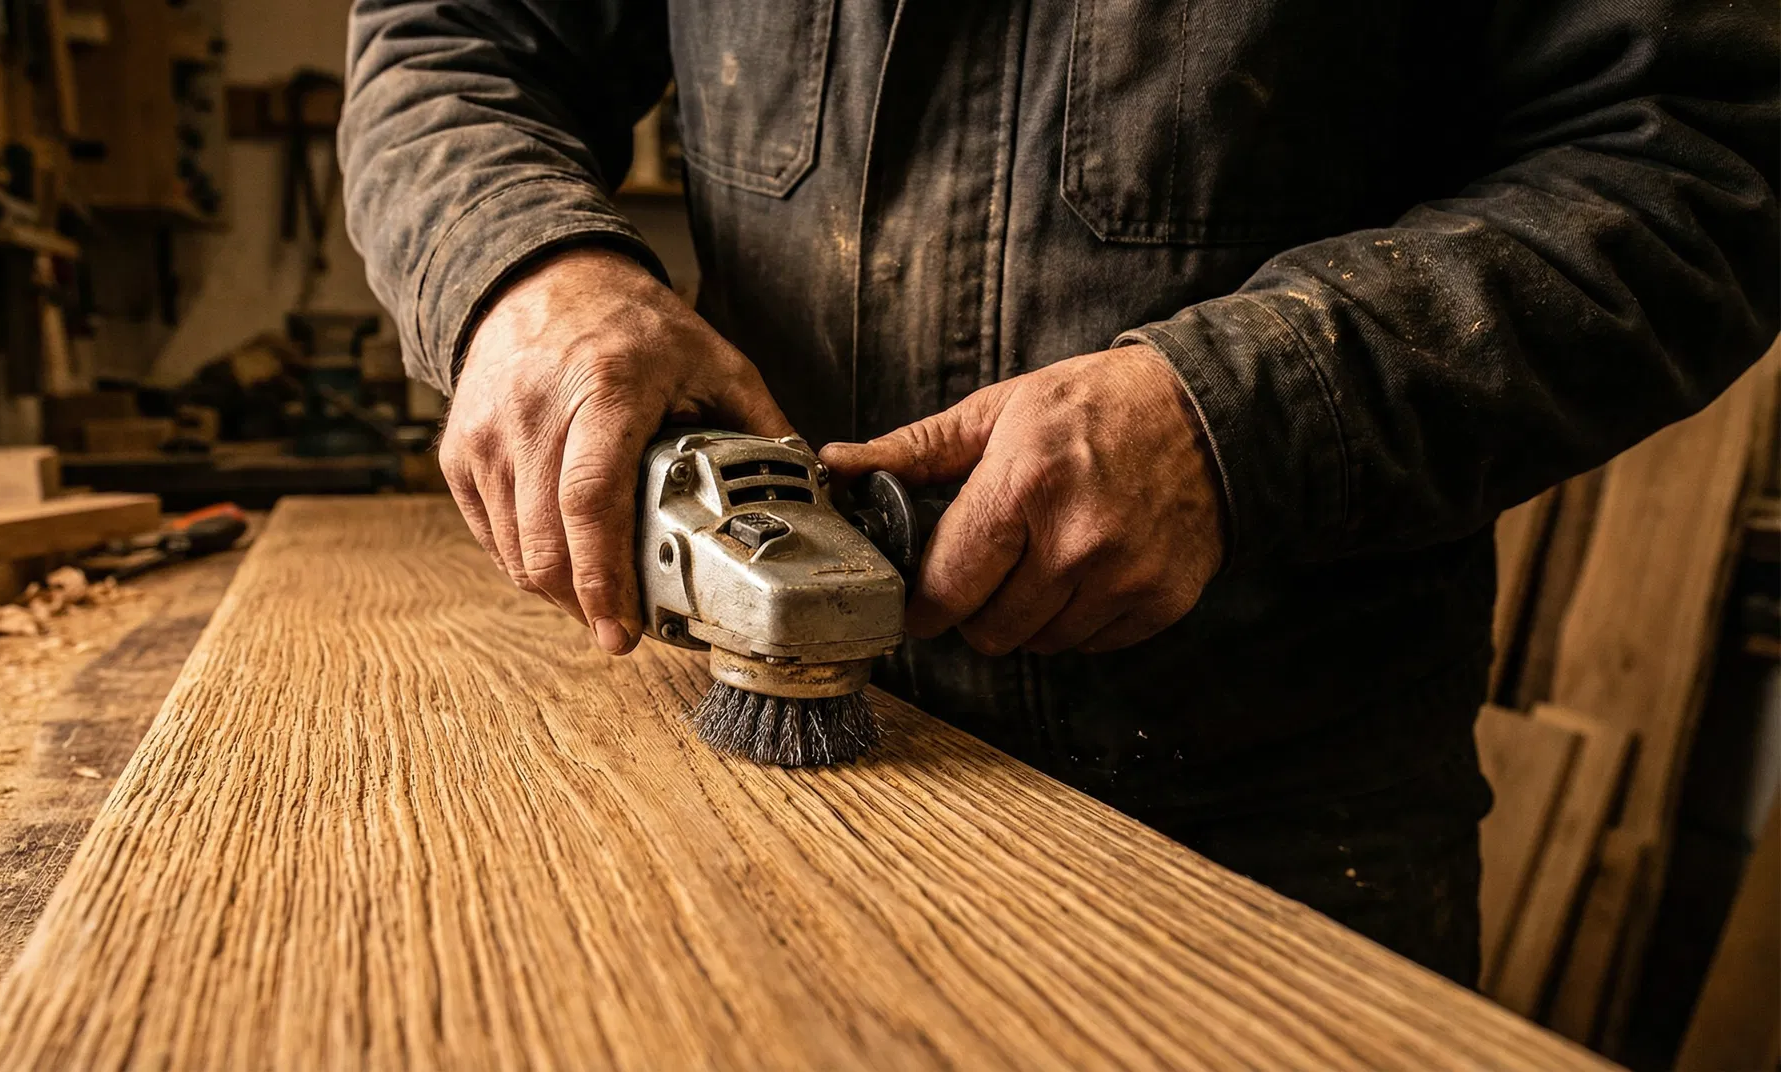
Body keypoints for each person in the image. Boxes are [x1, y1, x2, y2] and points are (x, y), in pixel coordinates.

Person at [341, 0, 1777, 984]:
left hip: (1266, 809)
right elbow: (455, 35)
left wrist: (1241, 413)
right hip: (755, 764)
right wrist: (524, 270)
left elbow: (1708, 150)